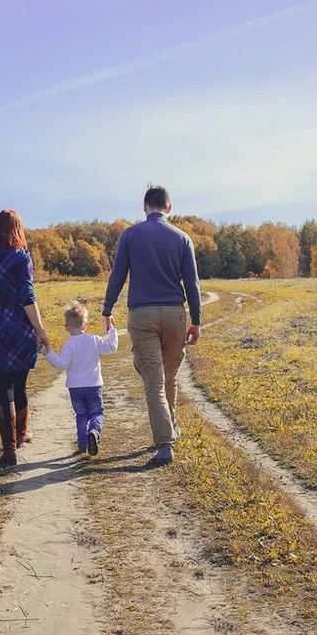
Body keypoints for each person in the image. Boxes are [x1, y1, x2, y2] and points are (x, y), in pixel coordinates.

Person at [101, 185, 202, 466]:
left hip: (142, 316)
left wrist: (107, 310)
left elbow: (117, 276)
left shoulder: (130, 236)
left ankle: (165, 443)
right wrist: (196, 321)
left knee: (155, 382)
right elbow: (192, 284)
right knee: (168, 376)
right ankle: (172, 427)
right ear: (169, 208)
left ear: (145, 207)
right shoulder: (182, 238)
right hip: (174, 315)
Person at [0, 209, 51, 467]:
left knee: (2, 389)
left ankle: (9, 450)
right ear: (17, 230)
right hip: (19, 331)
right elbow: (28, 296)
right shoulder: (20, 257)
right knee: (20, 385)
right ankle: (21, 434)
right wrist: (40, 330)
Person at [41, 301, 119, 456]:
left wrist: (47, 352)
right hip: (93, 386)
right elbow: (112, 347)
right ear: (86, 325)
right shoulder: (94, 340)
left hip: (75, 388)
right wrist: (112, 330)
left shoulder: (68, 344)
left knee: (81, 416)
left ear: (67, 327)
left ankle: (83, 445)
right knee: (97, 413)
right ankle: (94, 431)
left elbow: (62, 365)